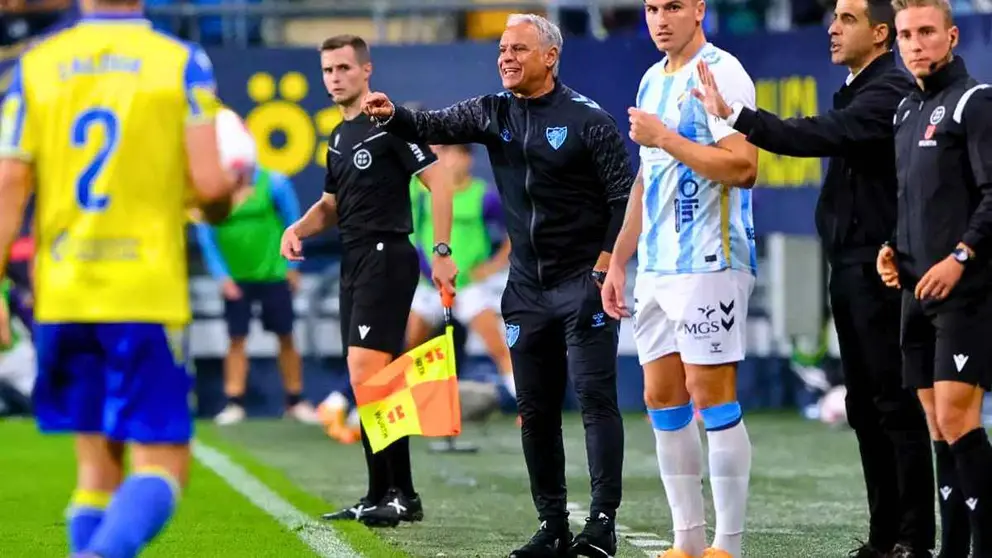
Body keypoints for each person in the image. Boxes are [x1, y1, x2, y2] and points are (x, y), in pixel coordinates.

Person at [363, 13, 635, 558]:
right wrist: (394, 116)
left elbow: (624, 198)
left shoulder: (590, 121)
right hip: (525, 292)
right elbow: (432, 125)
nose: (506, 58)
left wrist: (606, 266)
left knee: (594, 402)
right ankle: (552, 525)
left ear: (550, 56)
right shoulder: (493, 112)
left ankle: (601, 524)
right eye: (502, 49)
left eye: (518, 49)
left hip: (582, 283)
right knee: (534, 409)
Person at [691, 0, 934, 554]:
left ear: (879, 34)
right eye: (832, 18)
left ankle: (914, 541)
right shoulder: (859, 86)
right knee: (867, 407)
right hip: (852, 264)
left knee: (892, 406)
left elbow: (819, 134)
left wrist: (739, 117)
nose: (832, 28)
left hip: (883, 268)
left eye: (846, 19)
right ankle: (885, 538)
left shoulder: (888, 88)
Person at [0, 0, 238, 556]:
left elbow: (10, 180)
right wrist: (223, 196)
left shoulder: (36, 65)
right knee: (165, 465)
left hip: (63, 293)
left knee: (96, 473)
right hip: (143, 292)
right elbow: (208, 186)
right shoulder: (180, 61)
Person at [598, 1, 758, 557]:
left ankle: (728, 544)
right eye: (651, 8)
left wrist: (665, 136)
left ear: (699, 9)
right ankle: (686, 541)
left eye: (672, 6)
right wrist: (619, 259)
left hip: (711, 260)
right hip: (658, 267)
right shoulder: (650, 78)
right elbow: (647, 180)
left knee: (711, 397)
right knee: (661, 398)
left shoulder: (723, 71)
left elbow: (743, 165)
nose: (660, 18)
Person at [279, 34, 457, 529]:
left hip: (388, 254)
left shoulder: (388, 122)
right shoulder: (337, 136)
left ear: (366, 70)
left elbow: (439, 181)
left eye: (343, 68)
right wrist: (297, 228)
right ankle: (388, 493)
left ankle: (395, 493)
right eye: (327, 71)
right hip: (353, 259)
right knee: (373, 381)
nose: (335, 78)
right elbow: (331, 207)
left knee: (368, 374)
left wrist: (441, 253)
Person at [879, 0, 992, 555]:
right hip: (914, 291)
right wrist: (890, 250)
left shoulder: (977, 102)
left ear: (951, 35)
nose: (915, 43)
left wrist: (962, 256)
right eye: (905, 34)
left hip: (968, 291)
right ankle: (953, 550)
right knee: (937, 425)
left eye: (926, 32)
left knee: (956, 415)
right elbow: (912, 205)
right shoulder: (903, 112)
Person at [195, 162, 320, 426]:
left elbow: (293, 221)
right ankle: (235, 403)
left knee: (286, 335)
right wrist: (221, 276)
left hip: (273, 273)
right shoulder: (215, 188)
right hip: (236, 279)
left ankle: (295, 400)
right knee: (236, 338)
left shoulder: (274, 183)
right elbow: (206, 235)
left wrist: (291, 266)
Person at [407, 144, 514, 398]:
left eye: (454, 154)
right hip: (429, 285)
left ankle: (527, 407)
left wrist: (493, 266)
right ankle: (403, 405)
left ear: (467, 159)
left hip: (469, 286)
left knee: (498, 347)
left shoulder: (484, 196)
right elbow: (414, 235)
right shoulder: (424, 195)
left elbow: (514, 232)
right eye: (443, 153)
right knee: (410, 346)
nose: (448, 160)